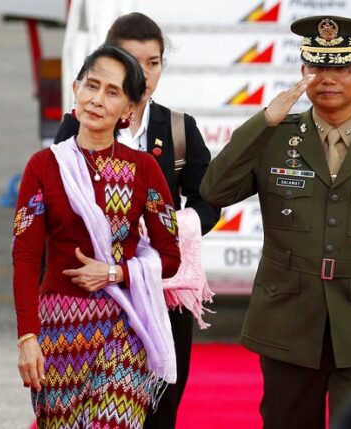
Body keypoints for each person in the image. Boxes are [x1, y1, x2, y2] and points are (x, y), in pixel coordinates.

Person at [200, 15, 351, 428]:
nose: (328, 77)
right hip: (289, 320)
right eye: (318, 66)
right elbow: (213, 190)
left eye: (341, 67)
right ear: (303, 71)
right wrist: (264, 120)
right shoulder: (275, 136)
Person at [54, 12, 220, 428]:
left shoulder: (179, 128)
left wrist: (171, 229)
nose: (143, 74)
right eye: (131, 61)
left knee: (162, 404)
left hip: (162, 290)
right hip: (97, 290)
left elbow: (208, 200)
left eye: (154, 62)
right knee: (97, 406)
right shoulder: (76, 127)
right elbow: (58, 206)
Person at [13, 44, 181, 428]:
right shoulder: (44, 167)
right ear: (75, 89)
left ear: (129, 109)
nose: (97, 100)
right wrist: (27, 338)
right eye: (92, 85)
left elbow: (171, 257)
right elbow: (24, 258)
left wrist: (114, 273)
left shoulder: (144, 170)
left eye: (113, 92)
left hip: (125, 327)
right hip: (59, 332)